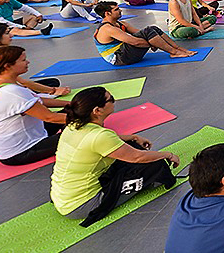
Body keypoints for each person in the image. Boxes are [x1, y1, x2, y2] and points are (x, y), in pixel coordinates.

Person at [50, 87, 180, 219]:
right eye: (110, 99)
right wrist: (168, 155)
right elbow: (138, 157)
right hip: (83, 205)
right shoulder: (99, 136)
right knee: (156, 164)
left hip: (61, 197)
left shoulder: (73, 125)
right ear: (97, 111)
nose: (114, 101)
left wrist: (133, 137)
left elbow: (108, 141)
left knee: (131, 146)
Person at [0, 45, 70, 165]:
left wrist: (71, 104)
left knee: (71, 111)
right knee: (79, 133)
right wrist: (86, 118)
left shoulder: (1, 84)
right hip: (21, 152)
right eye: (23, 60)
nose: (28, 62)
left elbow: (37, 99)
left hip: (27, 139)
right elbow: (49, 117)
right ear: (7, 66)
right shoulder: (12, 91)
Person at [0, 23, 67, 121]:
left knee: (51, 82)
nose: (11, 36)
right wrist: (53, 91)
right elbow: (21, 83)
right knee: (30, 103)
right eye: (7, 33)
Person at [93, 1, 196, 65]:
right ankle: (174, 52)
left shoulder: (120, 23)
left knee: (152, 28)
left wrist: (154, 39)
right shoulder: (107, 28)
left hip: (124, 53)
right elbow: (135, 42)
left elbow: (139, 33)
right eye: (116, 10)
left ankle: (177, 48)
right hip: (119, 58)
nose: (120, 11)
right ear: (107, 13)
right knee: (149, 32)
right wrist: (153, 42)